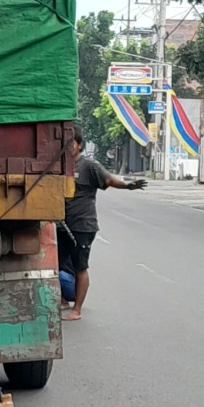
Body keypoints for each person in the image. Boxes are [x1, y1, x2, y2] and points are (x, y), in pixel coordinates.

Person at [60, 126, 146, 321]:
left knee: (80, 266)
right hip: (61, 225)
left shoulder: (89, 166)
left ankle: (77, 309)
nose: (68, 147)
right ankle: (64, 299)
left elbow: (109, 180)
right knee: (59, 264)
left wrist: (127, 186)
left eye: (72, 143)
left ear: (79, 145)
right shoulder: (58, 166)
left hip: (82, 226)